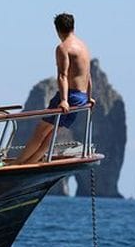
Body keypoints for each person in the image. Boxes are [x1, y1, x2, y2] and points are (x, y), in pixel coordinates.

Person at [13, 13, 92, 165]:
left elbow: (62, 75)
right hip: (82, 98)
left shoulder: (63, 48)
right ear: (73, 27)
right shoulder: (83, 46)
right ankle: (29, 164)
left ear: (57, 30)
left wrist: (63, 100)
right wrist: (89, 96)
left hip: (69, 96)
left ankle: (16, 164)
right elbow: (88, 75)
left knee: (40, 133)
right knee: (51, 136)